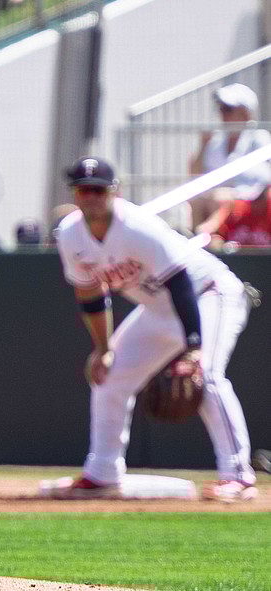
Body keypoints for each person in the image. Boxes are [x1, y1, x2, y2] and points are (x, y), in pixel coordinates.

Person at [51, 156, 257, 503]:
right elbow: (90, 294)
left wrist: (193, 346)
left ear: (113, 192)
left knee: (204, 374)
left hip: (209, 293)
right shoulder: (71, 235)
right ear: (74, 193)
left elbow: (179, 284)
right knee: (110, 374)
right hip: (160, 308)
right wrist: (103, 349)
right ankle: (102, 473)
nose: (91, 197)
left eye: (98, 190)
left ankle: (238, 475)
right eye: (84, 190)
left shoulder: (137, 226)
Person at [189, 83, 271, 230]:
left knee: (219, 199)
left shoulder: (260, 138)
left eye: (228, 110)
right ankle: (200, 243)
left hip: (248, 197)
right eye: (221, 109)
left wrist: (233, 190)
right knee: (196, 199)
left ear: (246, 113)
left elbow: (262, 178)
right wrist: (202, 146)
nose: (223, 115)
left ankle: (210, 241)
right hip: (221, 196)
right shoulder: (215, 142)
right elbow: (195, 175)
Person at [208, 181, 271, 250]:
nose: (254, 204)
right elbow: (216, 236)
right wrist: (220, 246)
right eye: (249, 199)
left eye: (259, 198)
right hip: (235, 259)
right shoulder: (234, 208)